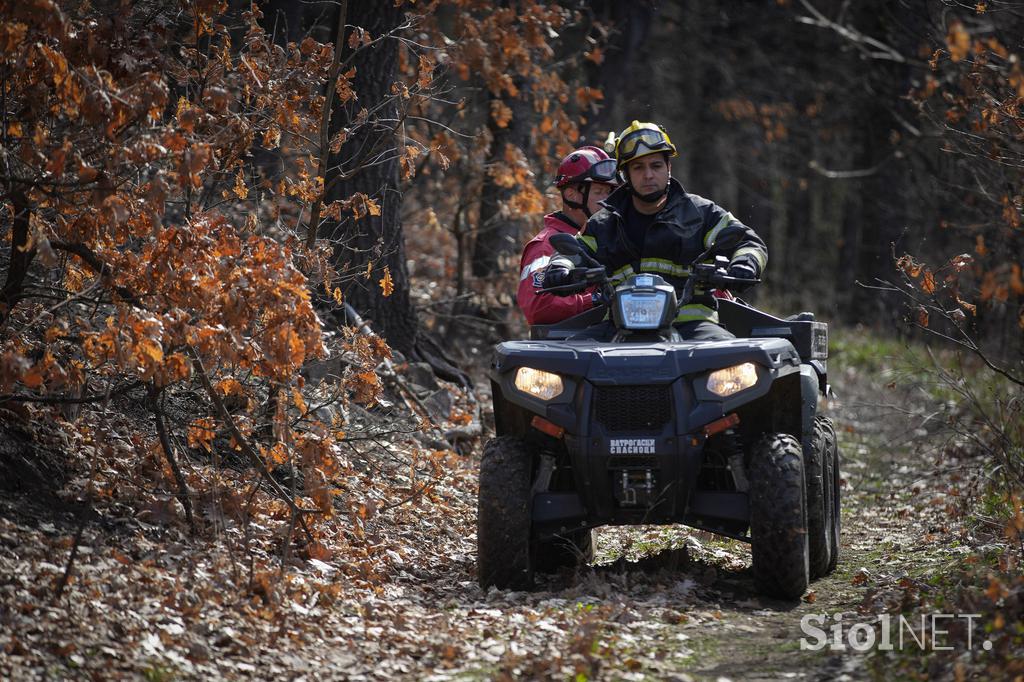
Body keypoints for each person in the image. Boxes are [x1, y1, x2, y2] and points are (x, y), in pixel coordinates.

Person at [543, 121, 767, 341]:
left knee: (729, 360)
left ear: (668, 168)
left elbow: (748, 242)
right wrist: (559, 268)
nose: (648, 175)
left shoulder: (700, 212)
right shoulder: (603, 224)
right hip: (617, 328)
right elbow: (573, 252)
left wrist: (745, 264)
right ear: (625, 175)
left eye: (656, 166)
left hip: (694, 327)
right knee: (570, 363)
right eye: (638, 167)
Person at [516, 146, 619, 325]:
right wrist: (594, 300)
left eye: (609, 193)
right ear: (572, 195)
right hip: (571, 348)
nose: (607, 200)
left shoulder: (608, 238)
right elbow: (538, 307)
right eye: (599, 192)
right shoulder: (545, 246)